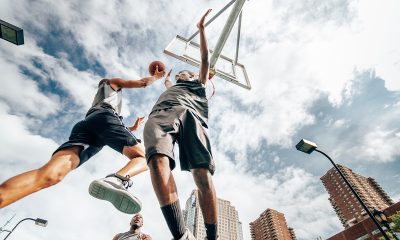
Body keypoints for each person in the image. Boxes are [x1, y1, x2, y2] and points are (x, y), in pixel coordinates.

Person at [0, 67, 165, 214]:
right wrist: (156, 77)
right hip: (104, 119)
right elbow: (143, 83)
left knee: (50, 175)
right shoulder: (113, 83)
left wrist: (132, 128)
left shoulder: (100, 97)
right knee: (146, 157)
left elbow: (108, 128)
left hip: (88, 125)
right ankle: (117, 179)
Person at [143, 9, 218, 240]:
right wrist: (164, 77)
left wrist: (202, 30)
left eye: (184, 73)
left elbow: (205, 59)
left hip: (190, 116)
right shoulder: (172, 88)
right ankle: (181, 235)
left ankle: (212, 236)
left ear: (194, 76)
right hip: (161, 114)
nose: (180, 76)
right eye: (178, 76)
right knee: (156, 161)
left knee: (202, 175)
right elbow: (167, 81)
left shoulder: (199, 85)